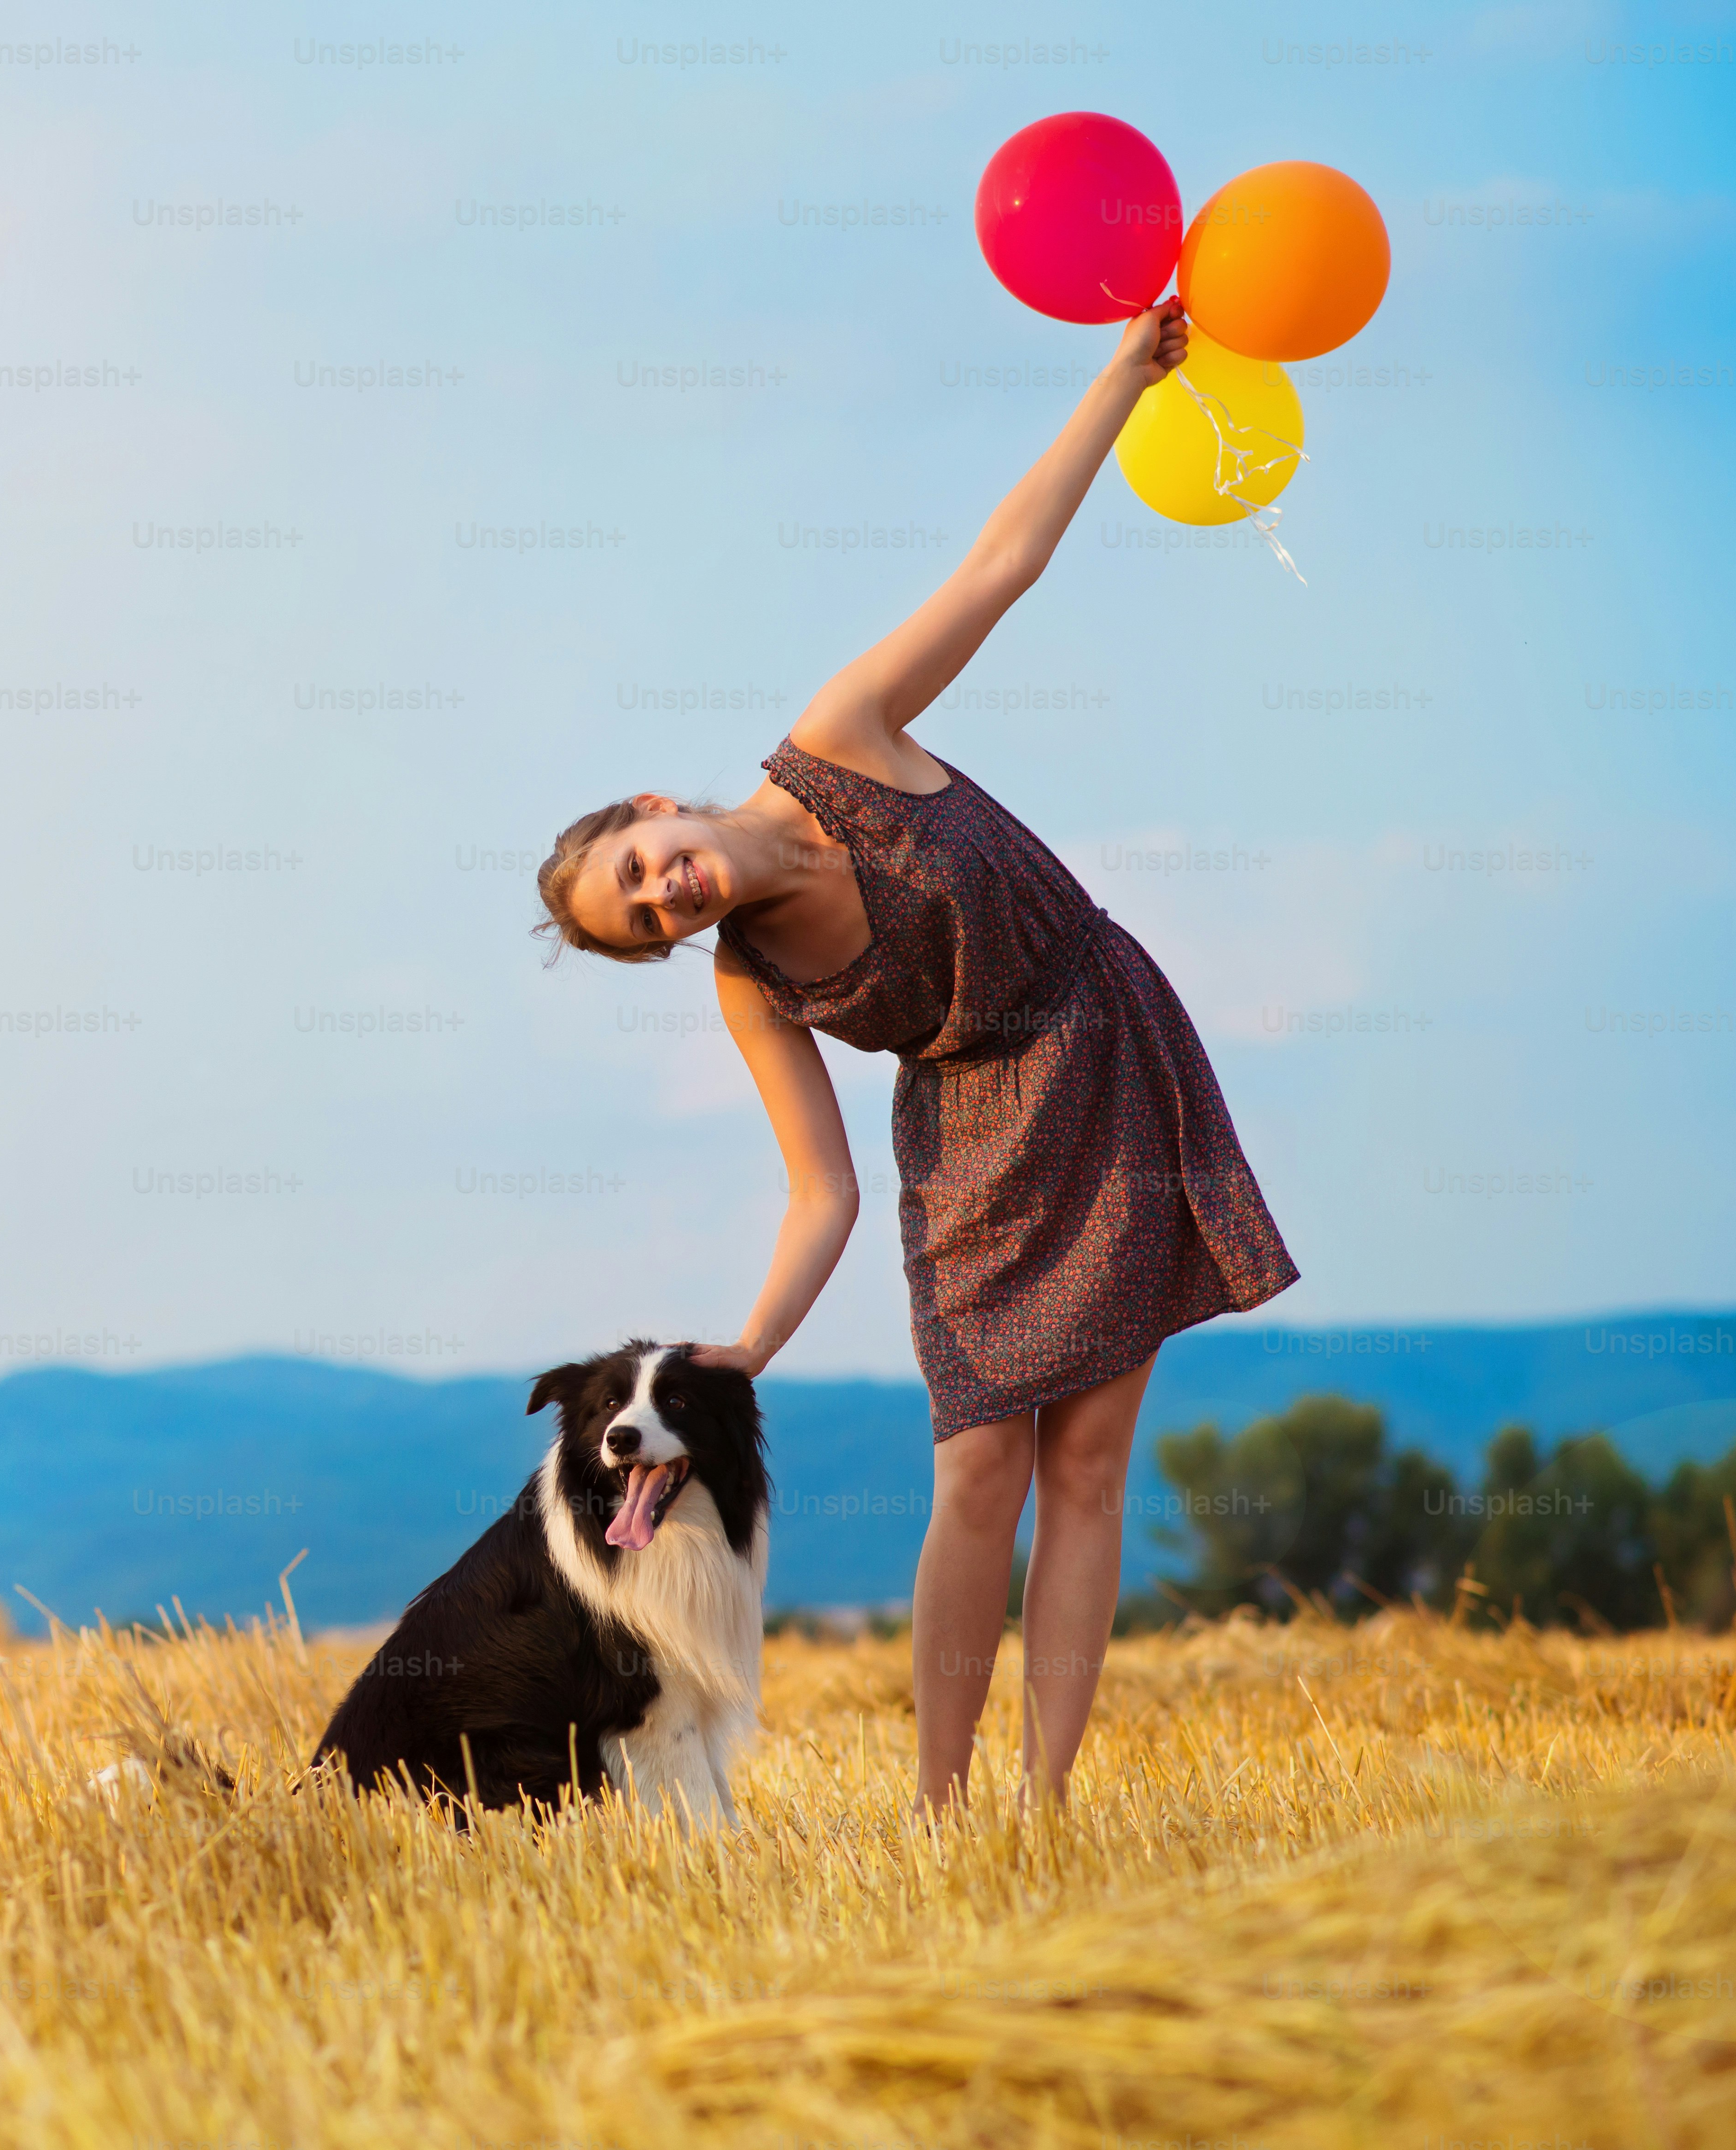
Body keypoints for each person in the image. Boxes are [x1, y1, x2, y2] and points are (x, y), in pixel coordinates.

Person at [532, 299, 1297, 1812]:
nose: (665, 897)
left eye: (641, 870)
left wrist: (1119, 378)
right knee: (977, 1467)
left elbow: (1002, 565)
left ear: (652, 809)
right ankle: (943, 1812)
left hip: (1103, 1053)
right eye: (644, 922)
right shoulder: (754, 984)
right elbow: (820, 1190)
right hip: (966, 1146)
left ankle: (1041, 1809)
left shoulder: (841, 736)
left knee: (1088, 1467)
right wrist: (751, 1346)